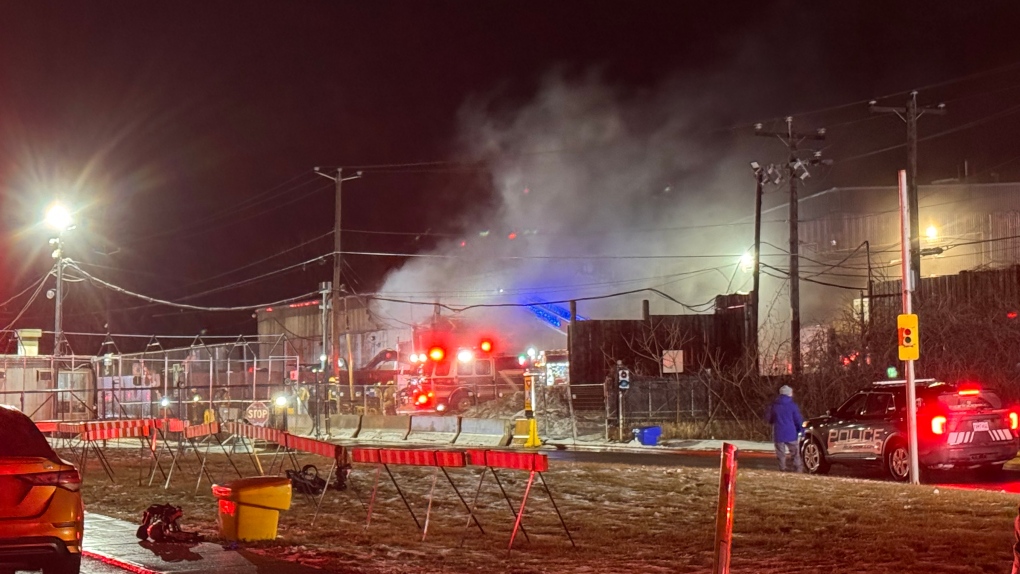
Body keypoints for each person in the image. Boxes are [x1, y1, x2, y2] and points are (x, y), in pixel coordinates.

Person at [766, 385, 804, 472]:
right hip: (791, 433)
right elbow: (797, 419)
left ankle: (783, 469)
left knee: (781, 453)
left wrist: (773, 421)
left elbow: (769, 418)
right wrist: (801, 430)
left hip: (778, 433)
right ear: (789, 394)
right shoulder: (792, 406)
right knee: (795, 453)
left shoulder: (774, 405)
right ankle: (798, 469)